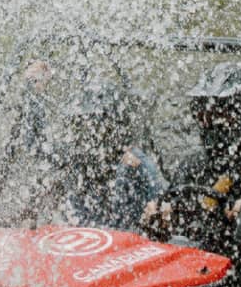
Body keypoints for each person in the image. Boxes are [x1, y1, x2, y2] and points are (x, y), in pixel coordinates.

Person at [156, 62, 241, 253]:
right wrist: (159, 215)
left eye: (220, 114)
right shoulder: (193, 165)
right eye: (203, 114)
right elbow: (172, 205)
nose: (209, 123)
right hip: (191, 262)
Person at [59, 78, 168, 232]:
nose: (89, 134)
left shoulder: (135, 161)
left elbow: (160, 201)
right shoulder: (77, 165)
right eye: (82, 126)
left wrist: (155, 208)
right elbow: (71, 213)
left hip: (127, 238)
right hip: (92, 238)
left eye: (95, 125)